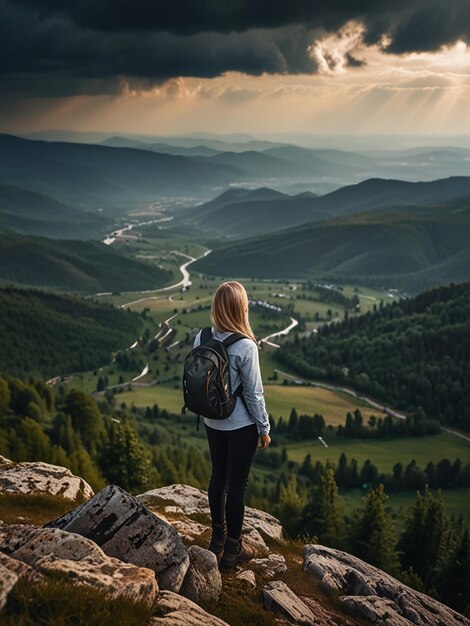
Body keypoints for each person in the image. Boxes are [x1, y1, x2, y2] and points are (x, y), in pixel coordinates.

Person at [192, 280, 271, 571]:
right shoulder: (245, 345)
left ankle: (217, 539)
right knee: (237, 487)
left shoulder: (200, 337)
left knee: (218, 479)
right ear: (241, 309)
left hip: (212, 420)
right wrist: (263, 428)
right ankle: (233, 550)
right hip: (241, 427)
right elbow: (253, 393)